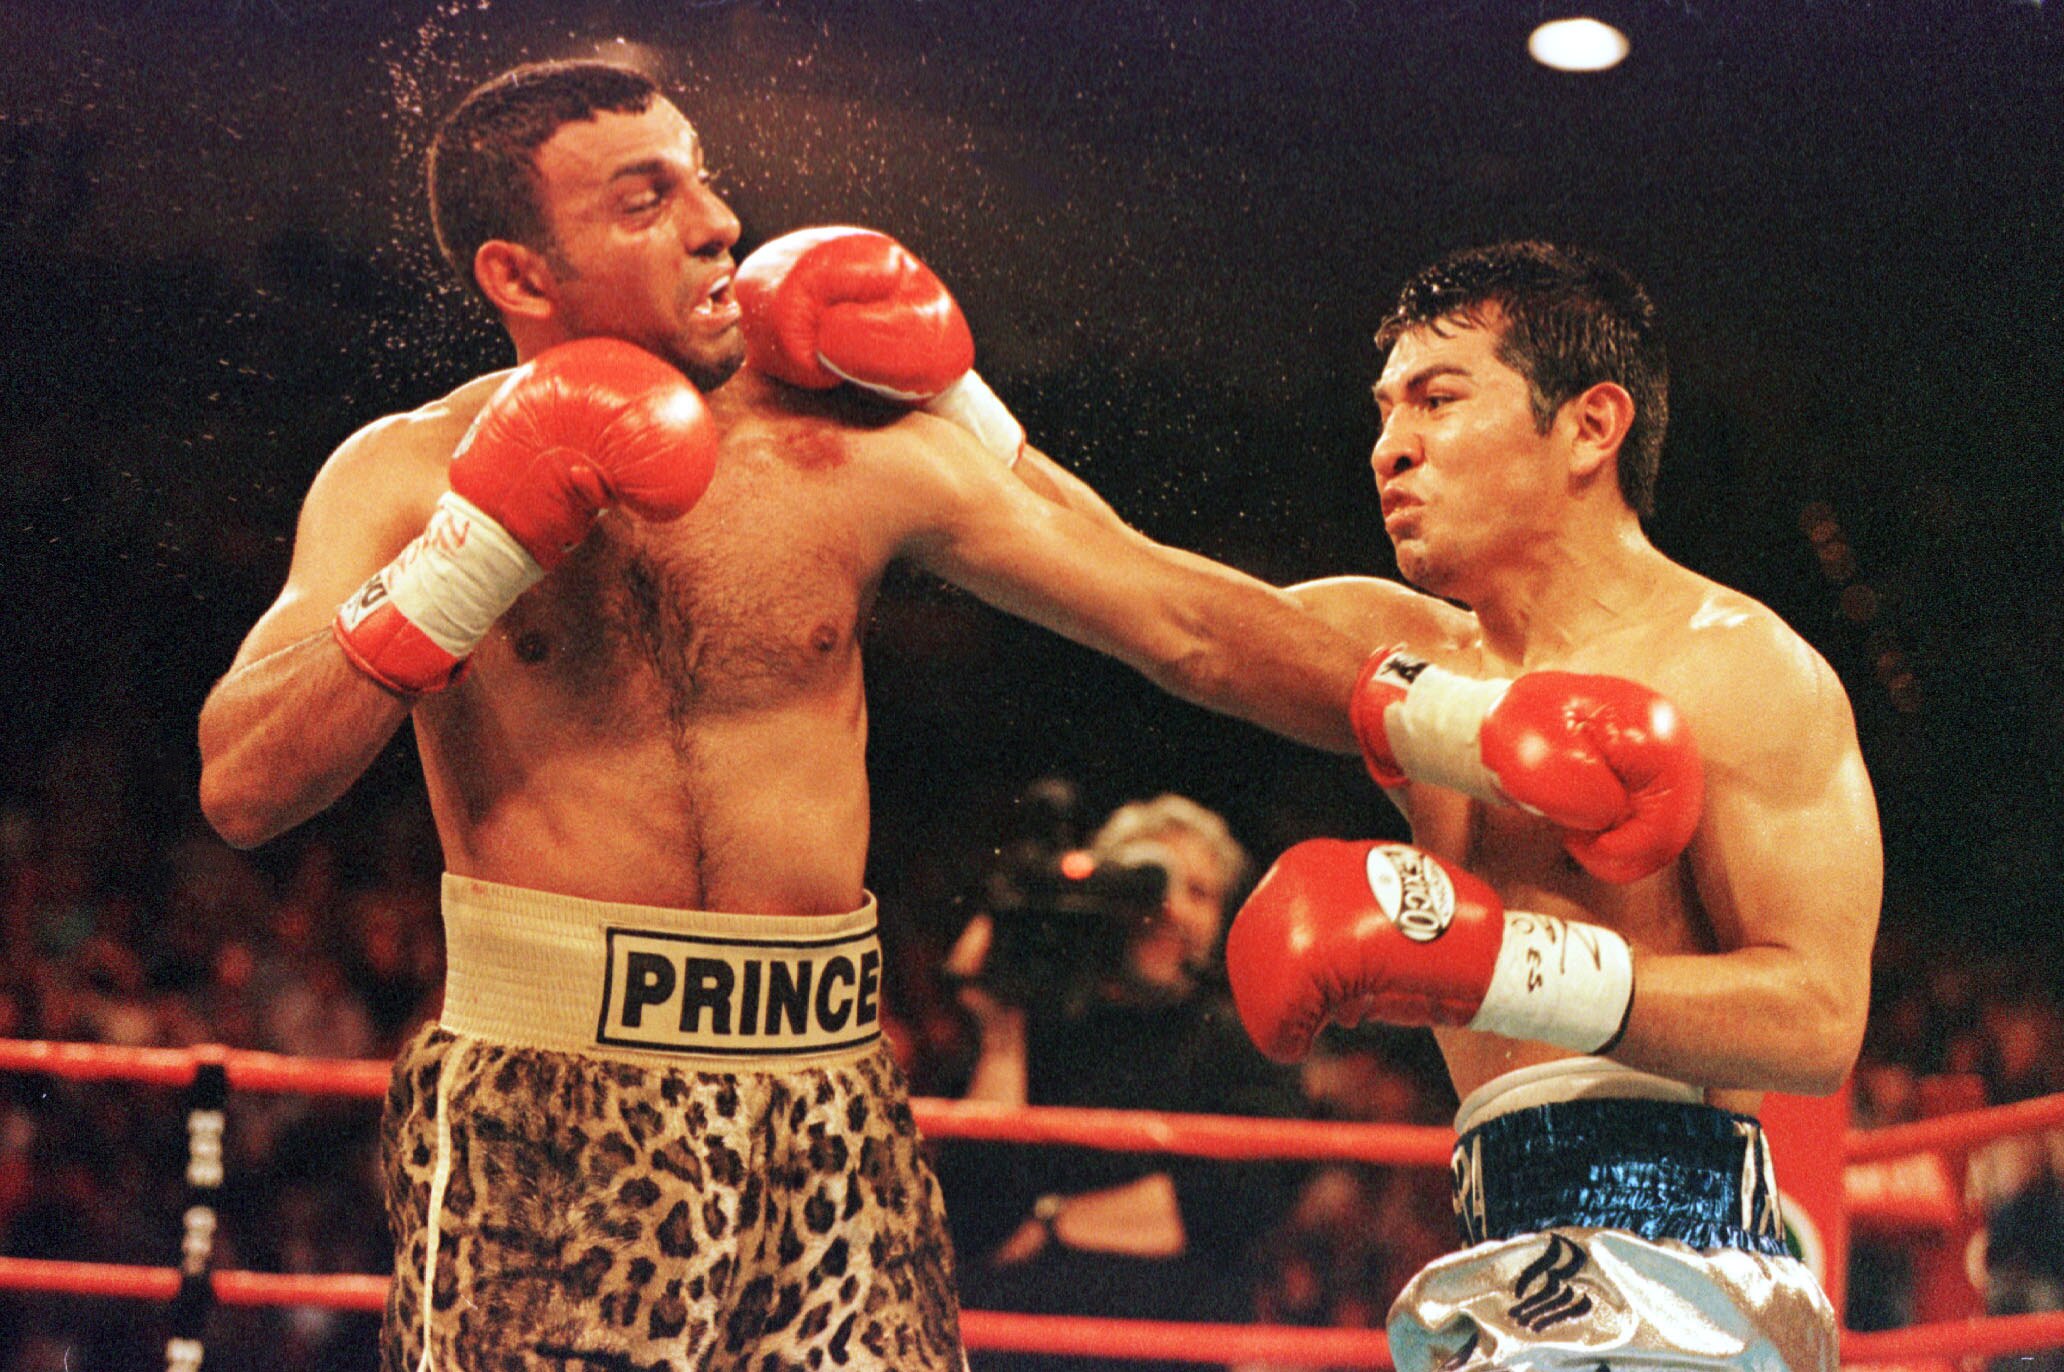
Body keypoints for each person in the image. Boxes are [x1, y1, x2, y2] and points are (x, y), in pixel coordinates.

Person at [194, 59, 1376, 1372]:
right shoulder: (409, 471)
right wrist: (474, 549)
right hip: (550, 1112)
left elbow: (1182, 619)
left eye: (704, 176)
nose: (715, 222)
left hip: (829, 1104)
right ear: (520, 276)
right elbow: (247, 782)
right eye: (645, 201)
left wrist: (1461, 729)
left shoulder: (843, 445)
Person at [1222, 242, 1883, 1371]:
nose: (1390, 446)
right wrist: (961, 444)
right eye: (1384, 410)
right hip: (1497, 1261)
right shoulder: (1406, 652)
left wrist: (1492, 965)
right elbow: (1163, 613)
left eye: (1438, 398)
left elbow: (1819, 1020)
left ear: (1591, 424)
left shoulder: (1739, 667)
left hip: (1686, 1289)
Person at [935, 790, 1306, 1371]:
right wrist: (1001, 1034)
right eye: (1148, 883)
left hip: (1173, 1352)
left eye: (1200, 892)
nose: (1174, 910)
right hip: (1023, 1352)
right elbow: (973, 1216)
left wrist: (1053, 1222)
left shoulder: (1237, 1037)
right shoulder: (1038, 1020)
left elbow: (1239, 1197)